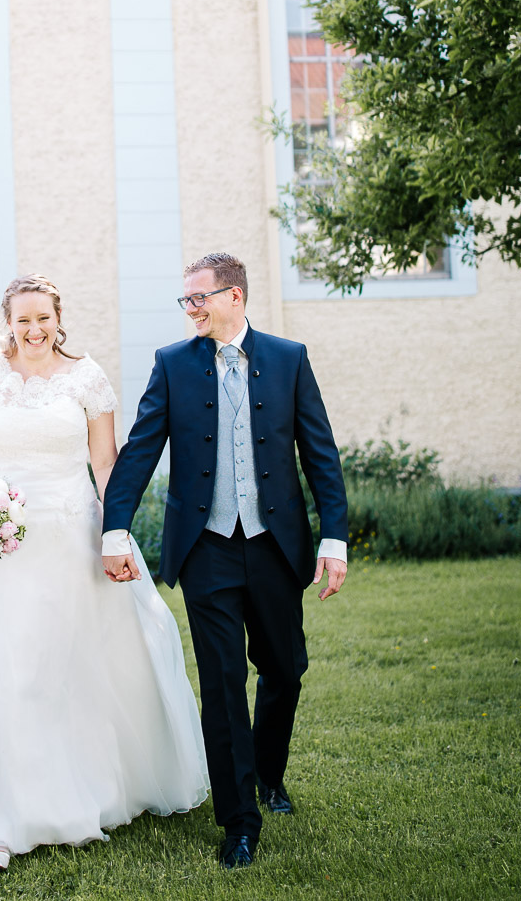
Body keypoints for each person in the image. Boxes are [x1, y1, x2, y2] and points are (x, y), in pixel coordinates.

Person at [0, 274, 208, 870]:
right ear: (8, 323)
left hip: (74, 534)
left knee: (74, 662)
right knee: (0, 666)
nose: (34, 330)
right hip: (1, 543)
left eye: (43, 319)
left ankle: (84, 792)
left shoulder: (86, 377)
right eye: (23, 321)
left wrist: (113, 533)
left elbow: (106, 461)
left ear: (58, 318)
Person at [101, 253, 348, 871]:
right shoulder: (171, 365)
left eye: (199, 299)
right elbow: (138, 452)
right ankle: (240, 820)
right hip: (206, 547)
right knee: (221, 683)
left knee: (285, 668)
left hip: (274, 545)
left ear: (234, 296)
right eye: (185, 301)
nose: (191, 309)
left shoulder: (289, 359)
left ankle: (267, 773)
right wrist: (113, 528)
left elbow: (320, 453)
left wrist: (334, 537)